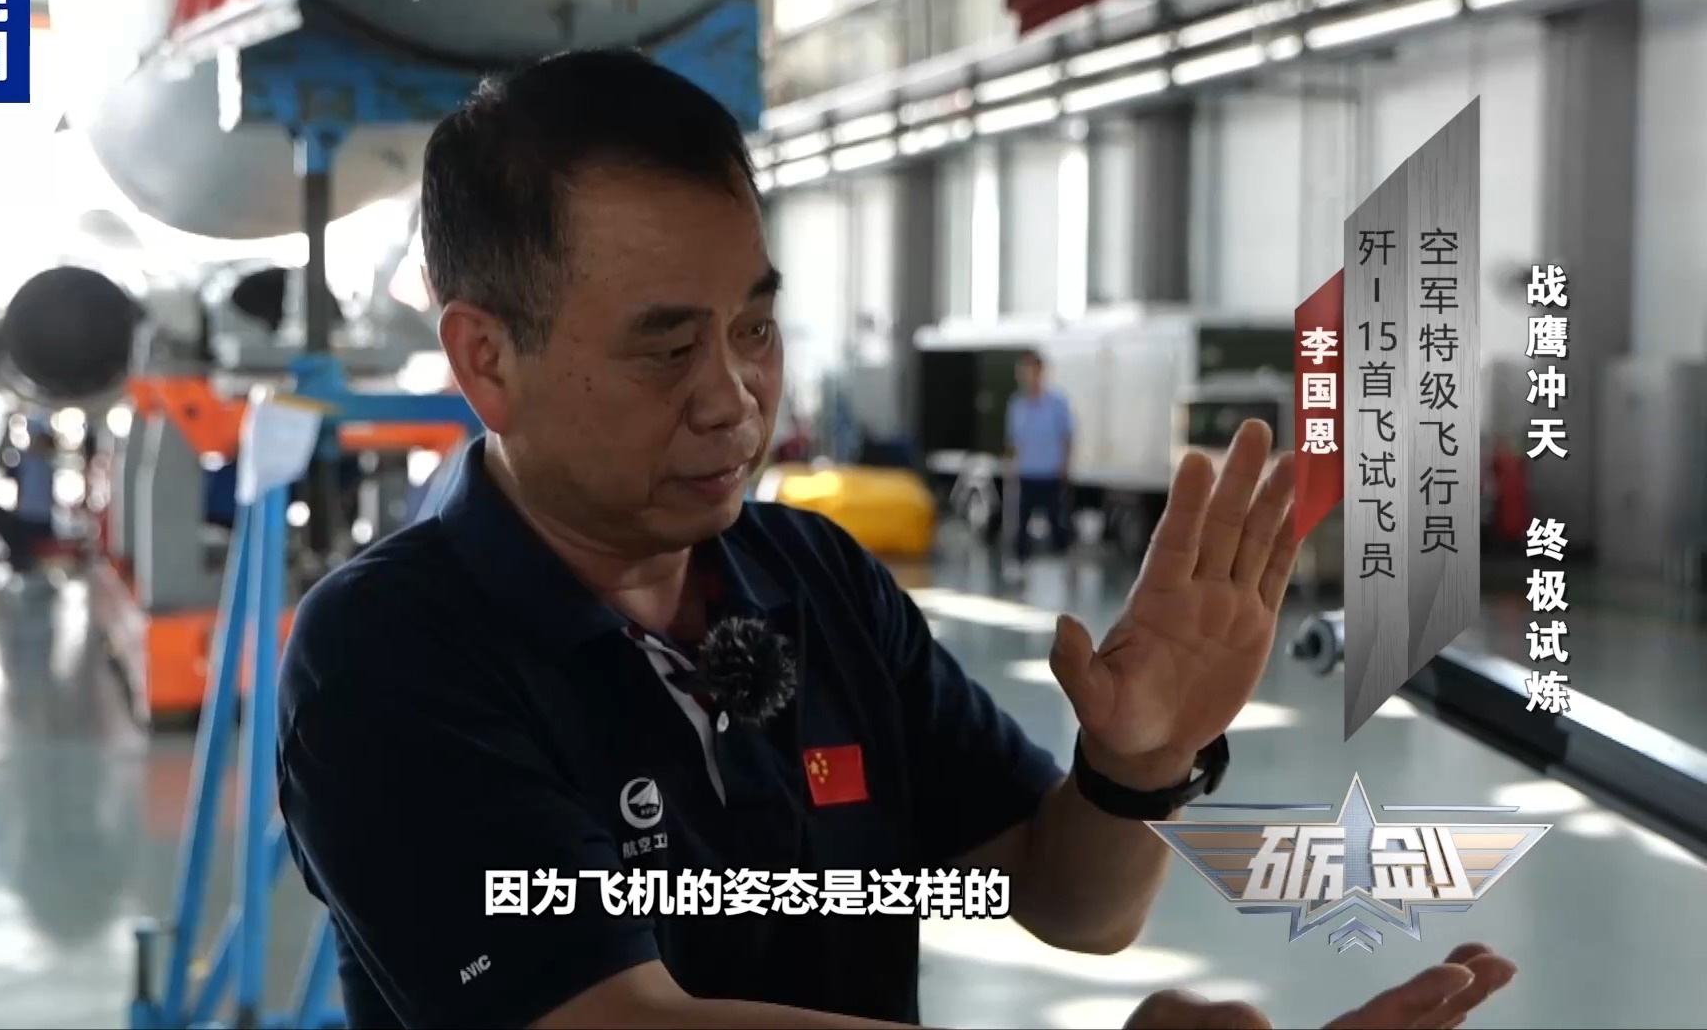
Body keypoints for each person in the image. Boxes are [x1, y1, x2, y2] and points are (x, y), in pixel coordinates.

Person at [277, 50, 1516, 1030]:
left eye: (754, 329)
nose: (734, 398)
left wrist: (1137, 765)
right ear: (486, 359)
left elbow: (1070, 902)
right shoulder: (387, 654)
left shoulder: (812, 580)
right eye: (667, 347)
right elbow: (613, 1020)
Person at [1003, 350, 1075, 579]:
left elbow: (1066, 436)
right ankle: (1019, 564)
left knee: (1057, 520)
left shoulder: (1057, 403)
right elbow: (1014, 440)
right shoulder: (1017, 405)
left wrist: (1065, 464)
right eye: (1024, 372)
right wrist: (1011, 465)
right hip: (1027, 472)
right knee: (1022, 521)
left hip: (1050, 472)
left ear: (1041, 373)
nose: (1028, 377)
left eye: (1032, 372)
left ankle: (1065, 562)